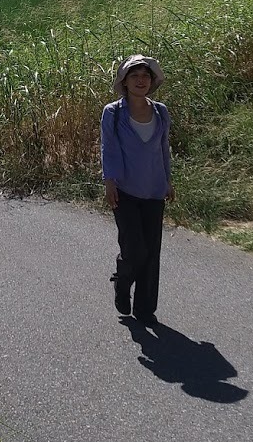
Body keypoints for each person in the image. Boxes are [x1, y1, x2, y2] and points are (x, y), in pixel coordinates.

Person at [100, 54, 175, 325]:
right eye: (135, 76)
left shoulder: (160, 111)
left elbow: (163, 149)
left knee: (151, 251)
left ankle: (145, 309)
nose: (141, 80)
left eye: (146, 76)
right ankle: (122, 281)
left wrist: (168, 180)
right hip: (125, 191)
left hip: (154, 190)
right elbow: (108, 148)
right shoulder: (113, 112)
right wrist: (109, 181)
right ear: (124, 81)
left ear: (152, 81)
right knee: (135, 249)